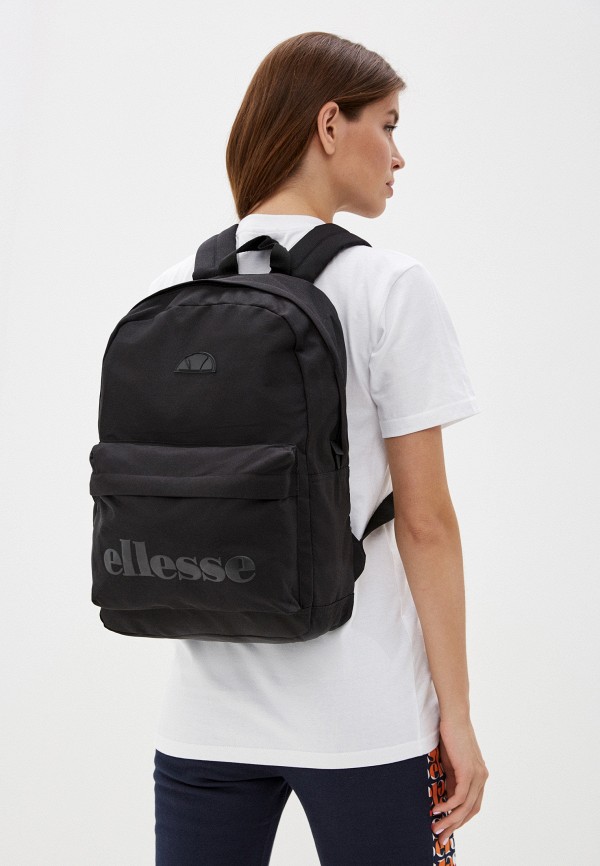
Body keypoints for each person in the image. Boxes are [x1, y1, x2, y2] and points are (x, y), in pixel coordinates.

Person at [152, 30, 489, 866]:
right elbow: (426, 524)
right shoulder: (389, 287)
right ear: (330, 124)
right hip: (362, 716)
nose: (399, 156)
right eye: (389, 124)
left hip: (203, 715)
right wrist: (457, 716)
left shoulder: (187, 283)